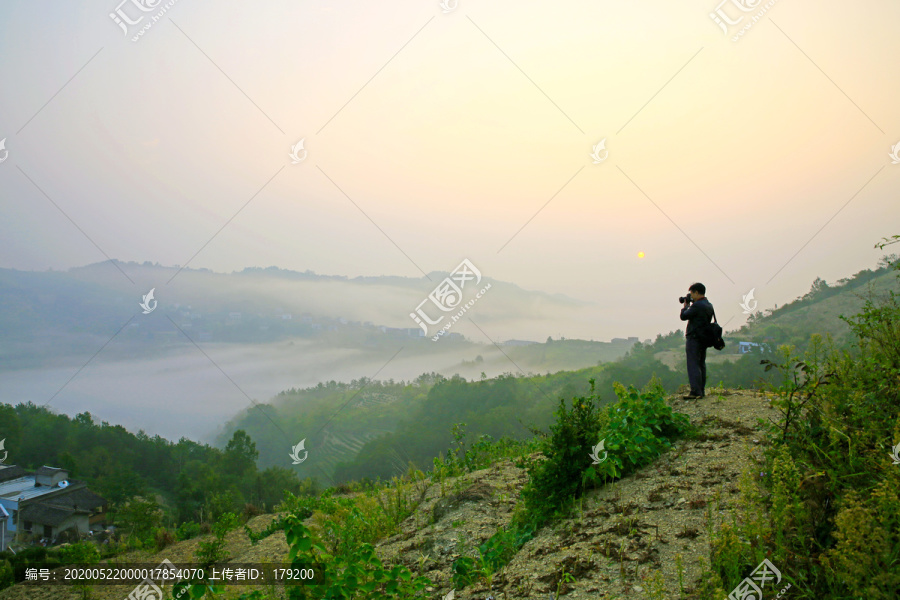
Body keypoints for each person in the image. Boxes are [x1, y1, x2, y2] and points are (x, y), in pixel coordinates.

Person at [679, 282, 714, 399]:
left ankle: (695, 391)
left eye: (692, 293)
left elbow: (683, 316)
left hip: (694, 338)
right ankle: (701, 390)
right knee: (701, 364)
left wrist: (685, 305)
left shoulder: (697, 306)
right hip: (703, 338)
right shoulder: (708, 305)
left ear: (697, 292)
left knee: (693, 364)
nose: (691, 296)